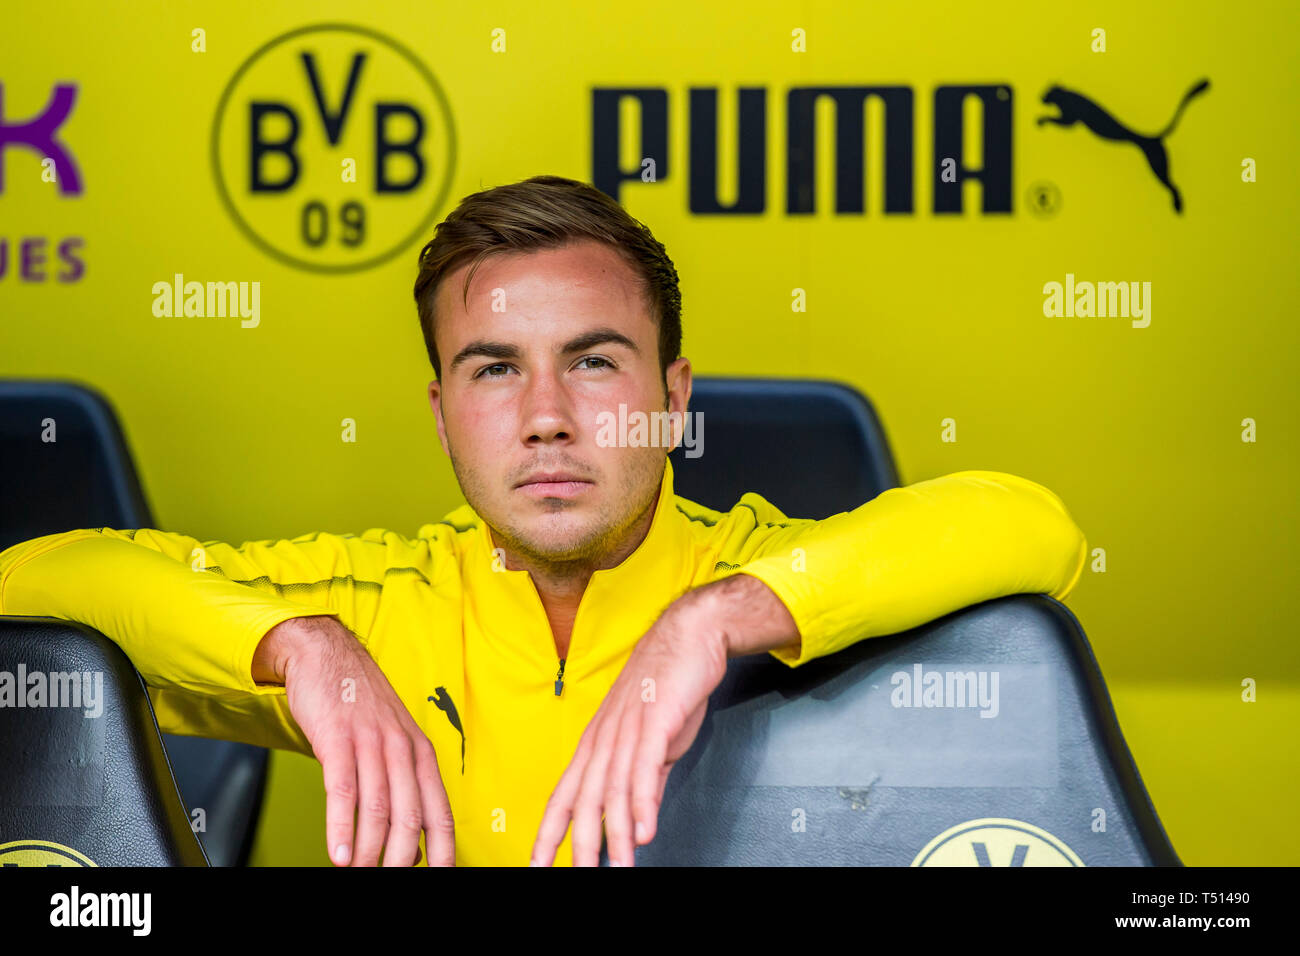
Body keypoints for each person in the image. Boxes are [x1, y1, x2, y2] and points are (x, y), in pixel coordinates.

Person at [0, 175, 1087, 867]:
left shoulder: (758, 571)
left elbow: (1034, 524)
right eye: (493, 369)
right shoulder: (378, 610)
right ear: (442, 415)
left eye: (594, 361)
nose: (547, 419)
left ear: (673, 394)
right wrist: (299, 647)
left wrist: (712, 622)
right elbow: (37, 574)